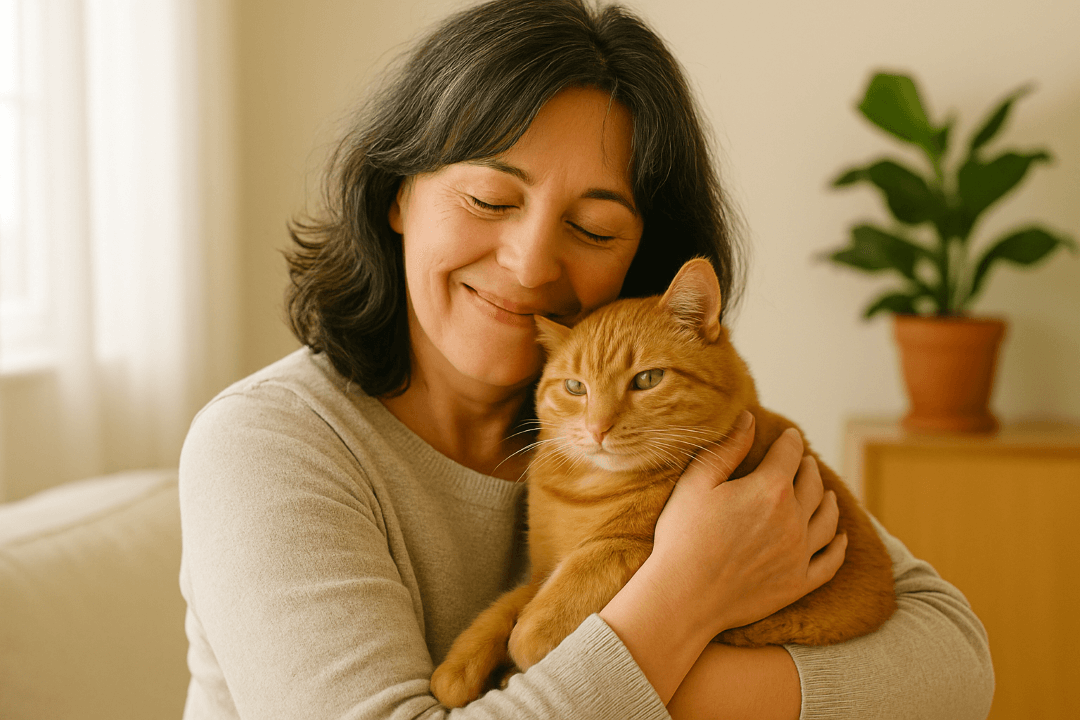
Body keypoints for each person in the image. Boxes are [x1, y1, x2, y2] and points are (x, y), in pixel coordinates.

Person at [177, 1, 995, 718]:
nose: (530, 265)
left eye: (596, 229)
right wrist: (684, 597)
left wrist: (605, 681)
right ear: (397, 192)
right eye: (489, 200)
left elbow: (954, 667)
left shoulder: (669, 431)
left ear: (643, 261)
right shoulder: (268, 446)